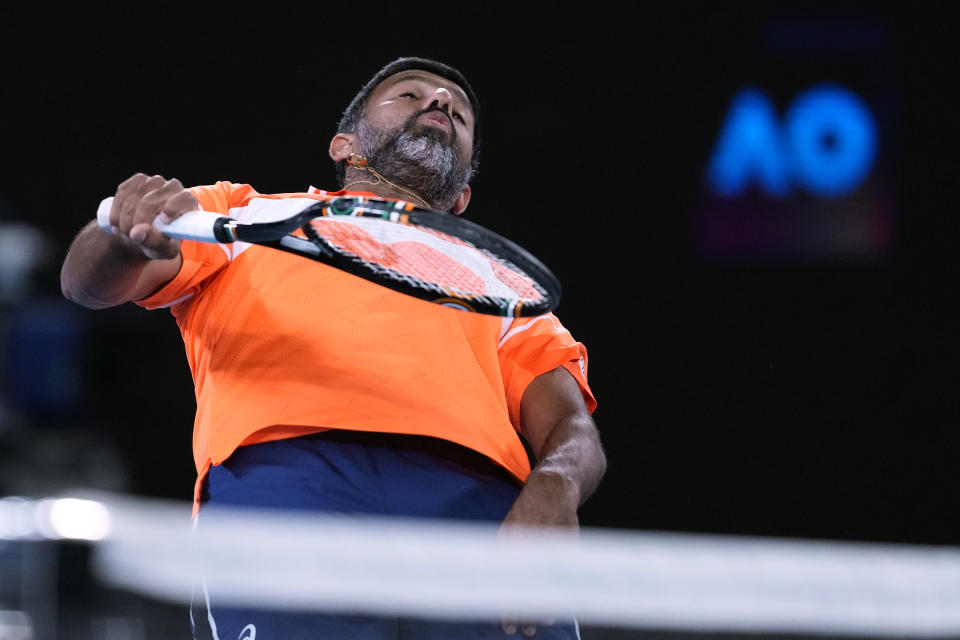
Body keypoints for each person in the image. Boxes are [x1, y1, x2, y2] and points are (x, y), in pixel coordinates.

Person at [61, 56, 606, 639]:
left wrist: (555, 488)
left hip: (477, 509)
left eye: (459, 111)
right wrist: (126, 232)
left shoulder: (499, 285)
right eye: (410, 94)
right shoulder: (244, 214)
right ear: (343, 145)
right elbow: (86, 284)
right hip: (288, 481)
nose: (441, 104)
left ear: (463, 196)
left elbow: (571, 429)